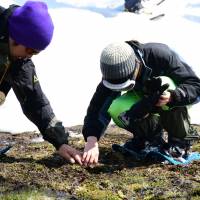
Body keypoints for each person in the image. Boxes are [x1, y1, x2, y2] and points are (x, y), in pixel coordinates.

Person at [81, 41, 200, 167]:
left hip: (175, 99)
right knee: (117, 107)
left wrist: (173, 96)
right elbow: (98, 106)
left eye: (126, 84)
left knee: (164, 83)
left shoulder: (160, 55)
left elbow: (196, 87)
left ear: (136, 66)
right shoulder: (113, 71)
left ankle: (180, 142)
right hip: (146, 101)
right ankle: (149, 140)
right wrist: (92, 140)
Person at [0, 1, 82, 164]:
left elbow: (34, 100)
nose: (31, 56)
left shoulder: (20, 57)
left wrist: (60, 142)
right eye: (30, 50)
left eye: (36, 52)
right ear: (16, 37)